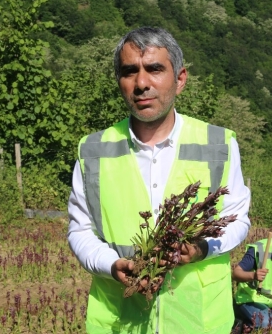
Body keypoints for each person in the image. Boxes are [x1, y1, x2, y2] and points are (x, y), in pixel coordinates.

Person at [67, 27, 251, 334]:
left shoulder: (218, 144)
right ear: (119, 82)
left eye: (154, 69)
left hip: (198, 322)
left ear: (180, 80)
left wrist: (202, 248)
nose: (141, 83)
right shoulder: (93, 150)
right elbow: (80, 230)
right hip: (119, 323)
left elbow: (238, 220)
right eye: (129, 72)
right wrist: (112, 266)